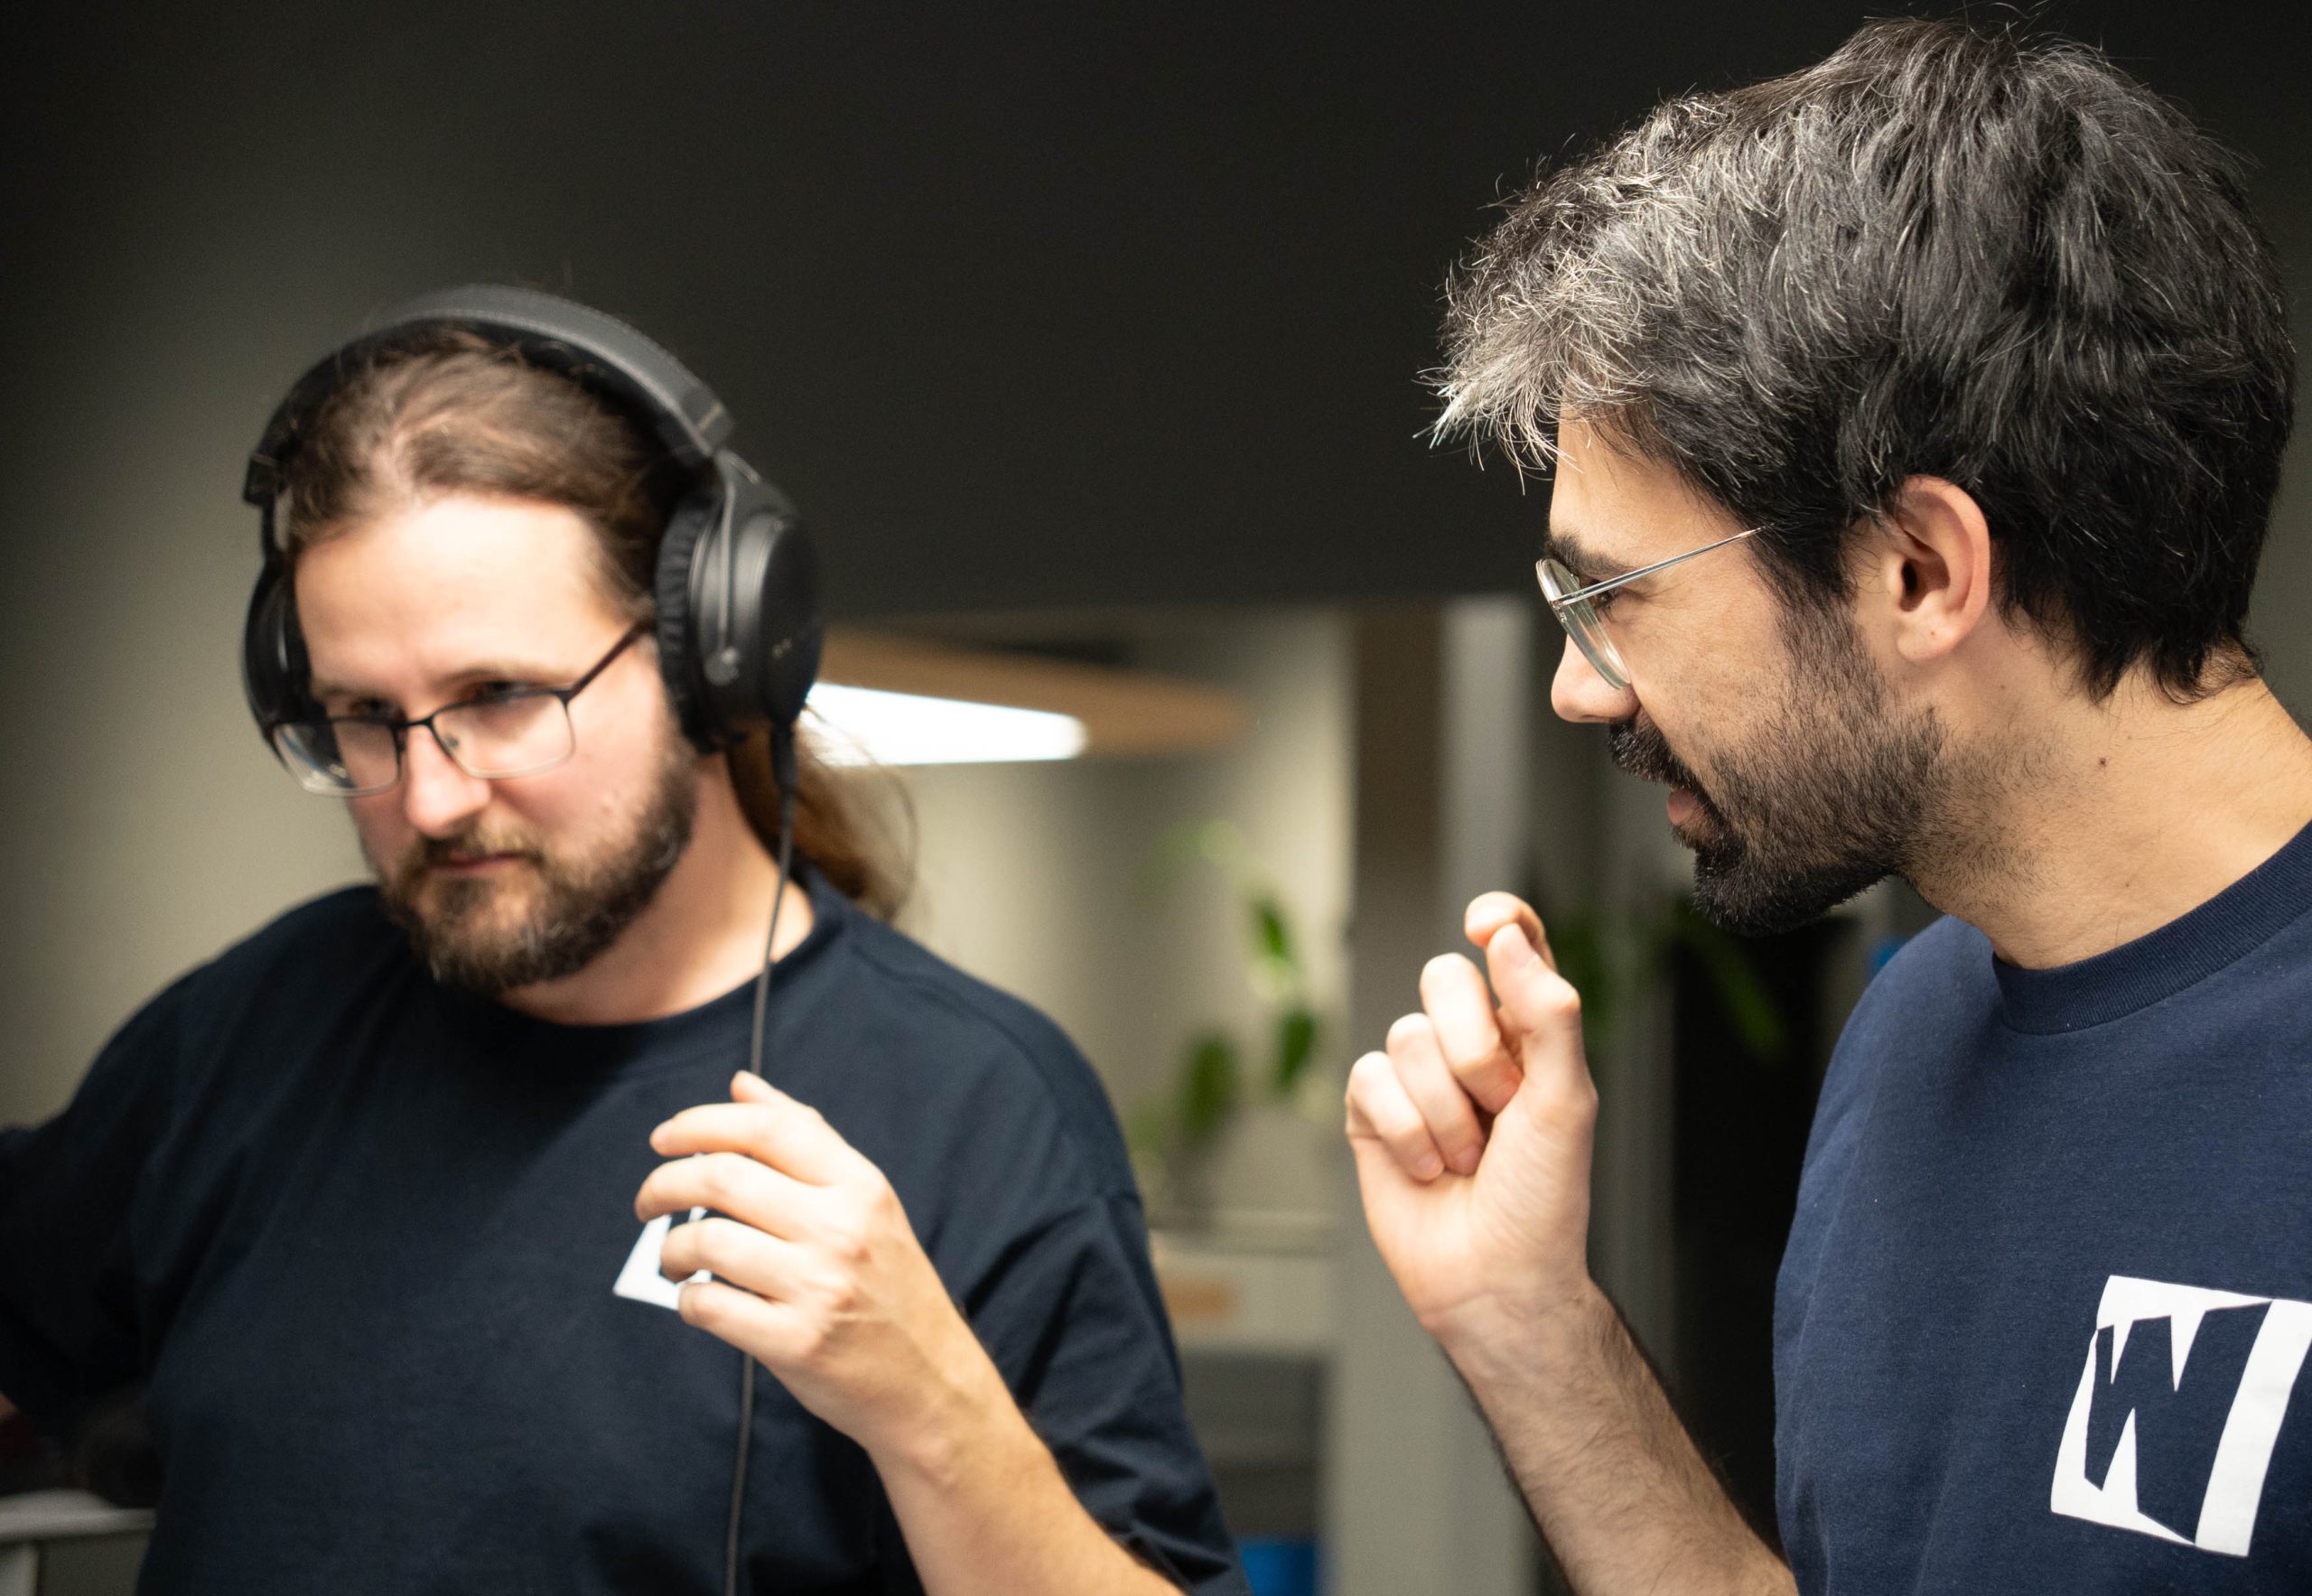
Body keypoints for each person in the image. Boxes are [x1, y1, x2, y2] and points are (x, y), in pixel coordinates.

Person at [0, 289, 1243, 1595]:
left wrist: (931, 1412)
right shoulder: (259, 1022)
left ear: (714, 658)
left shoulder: (974, 1108)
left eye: (500, 698)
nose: (428, 797)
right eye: (364, 718)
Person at [1345, 17, 2310, 1596]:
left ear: (1919, 571)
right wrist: (1532, 1328)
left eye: (1616, 598)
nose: (1579, 689)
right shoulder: (1916, 1029)